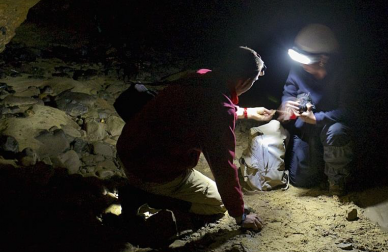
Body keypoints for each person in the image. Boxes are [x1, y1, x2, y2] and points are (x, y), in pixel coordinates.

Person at [117, 46, 274, 231]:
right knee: (218, 204)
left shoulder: (201, 76)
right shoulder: (218, 111)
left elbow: (211, 105)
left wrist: (247, 112)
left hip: (127, 151)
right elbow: (223, 167)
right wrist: (240, 215)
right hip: (154, 172)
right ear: (245, 80)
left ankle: (142, 188)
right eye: (254, 80)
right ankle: (147, 196)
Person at [280, 24, 353, 196]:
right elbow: (288, 92)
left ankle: (337, 181)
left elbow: (349, 111)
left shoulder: (343, 75)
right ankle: (318, 169)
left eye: (305, 60)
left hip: (330, 128)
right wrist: (287, 104)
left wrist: (316, 118)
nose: (302, 64)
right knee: (302, 181)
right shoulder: (298, 70)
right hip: (306, 129)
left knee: (338, 132)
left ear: (322, 59)